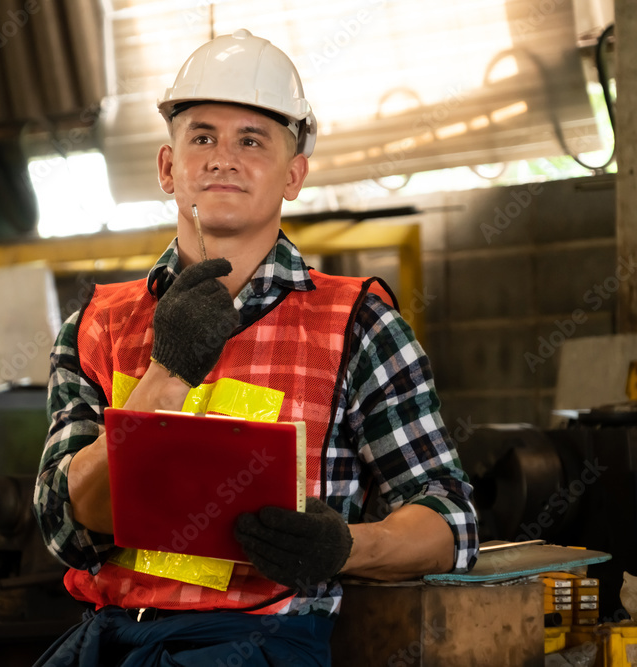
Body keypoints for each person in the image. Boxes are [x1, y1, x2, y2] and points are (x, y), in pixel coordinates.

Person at [32, 29, 478, 667]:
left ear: (294, 175)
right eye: (202, 136)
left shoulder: (359, 325)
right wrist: (166, 373)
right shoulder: (96, 325)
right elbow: (65, 526)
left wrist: (345, 547)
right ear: (167, 167)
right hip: (105, 639)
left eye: (252, 140)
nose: (223, 158)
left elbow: (450, 522)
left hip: (260, 644)